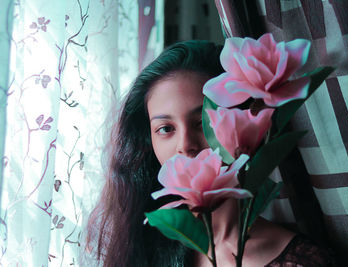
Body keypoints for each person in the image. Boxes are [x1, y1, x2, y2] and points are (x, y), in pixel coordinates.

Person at [85, 40, 333, 266]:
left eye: (202, 122)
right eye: (165, 129)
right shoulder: (141, 245)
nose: (185, 145)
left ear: (241, 122)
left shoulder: (300, 260)